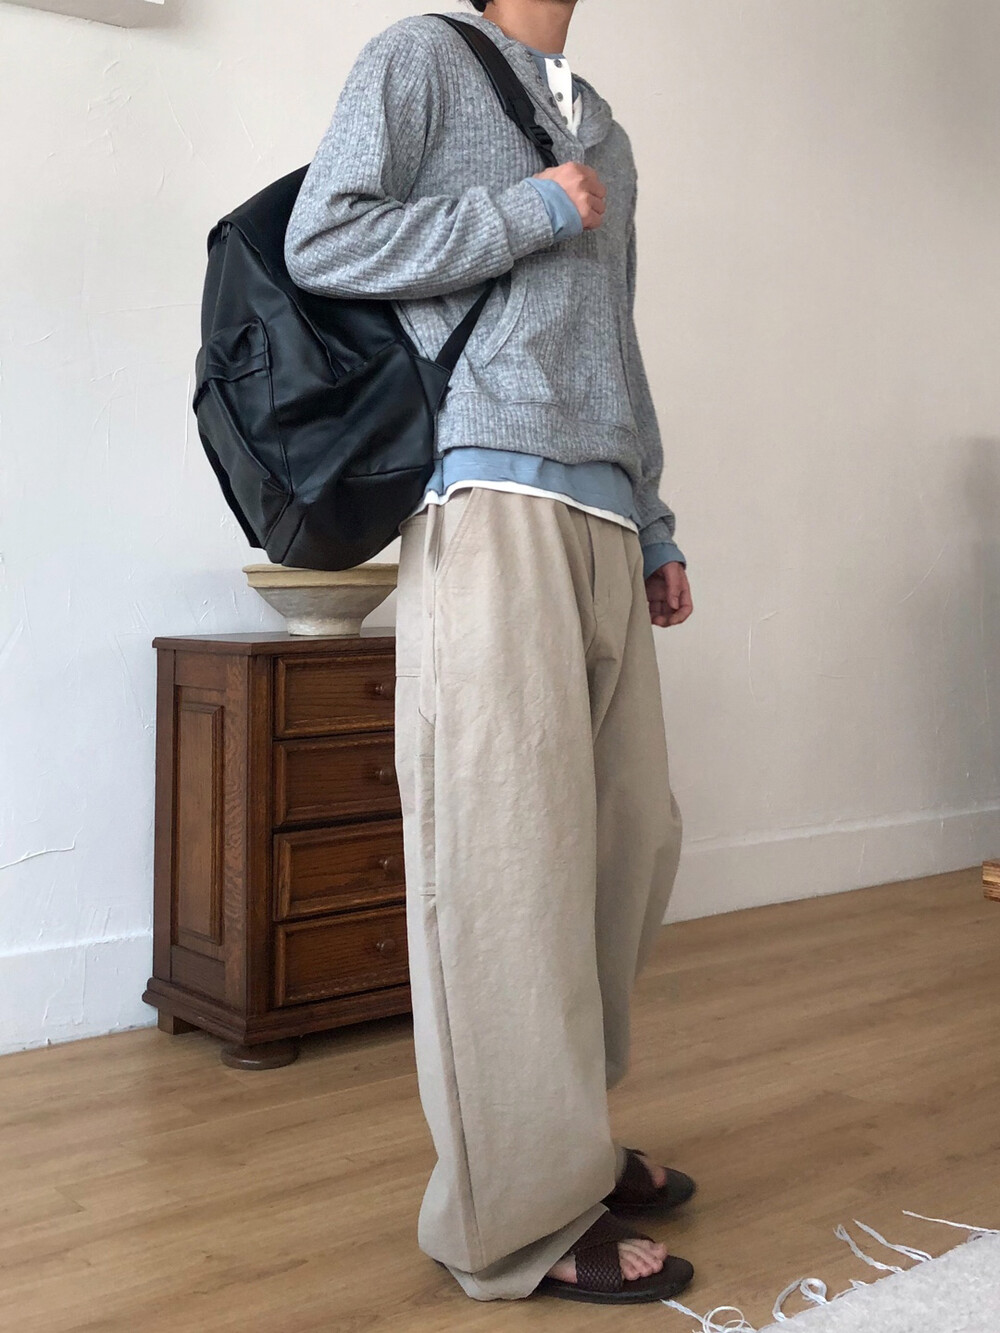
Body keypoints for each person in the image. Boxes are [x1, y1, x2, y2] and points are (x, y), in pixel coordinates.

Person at [285, 0, 695, 1306]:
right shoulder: (420, 57)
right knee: (507, 858)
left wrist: (655, 522)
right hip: (487, 493)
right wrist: (529, 209)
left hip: (604, 509)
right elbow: (323, 239)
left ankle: (567, 1138)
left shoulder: (604, 129)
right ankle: (516, 1214)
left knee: (629, 839)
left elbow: (616, 335)